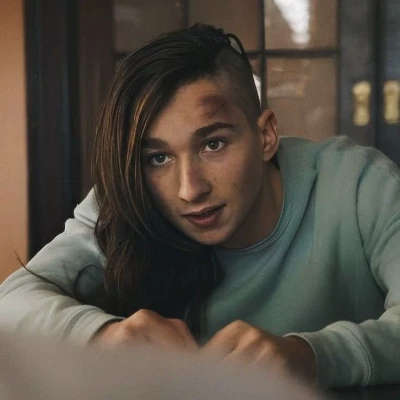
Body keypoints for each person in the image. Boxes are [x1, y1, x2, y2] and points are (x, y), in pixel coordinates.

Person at [0, 24, 399, 389]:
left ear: (266, 135)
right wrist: (104, 336)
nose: (189, 189)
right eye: (159, 158)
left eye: (213, 144)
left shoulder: (359, 184)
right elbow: (11, 302)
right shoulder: (130, 196)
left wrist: (311, 357)